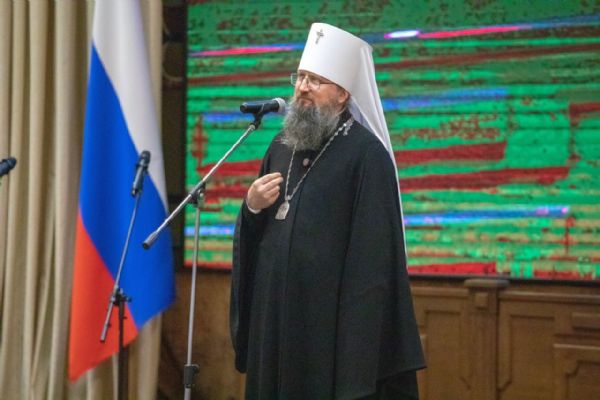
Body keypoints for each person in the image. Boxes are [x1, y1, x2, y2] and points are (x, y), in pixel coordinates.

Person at [230, 23, 425, 399]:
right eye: (300, 77)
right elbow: (260, 235)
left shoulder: (367, 157)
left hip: (326, 332)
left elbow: (373, 265)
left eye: (316, 80)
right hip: (275, 323)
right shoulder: (280, 146)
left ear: (342, 94)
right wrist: (251, 207)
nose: (302, 87)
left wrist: (355, 358)